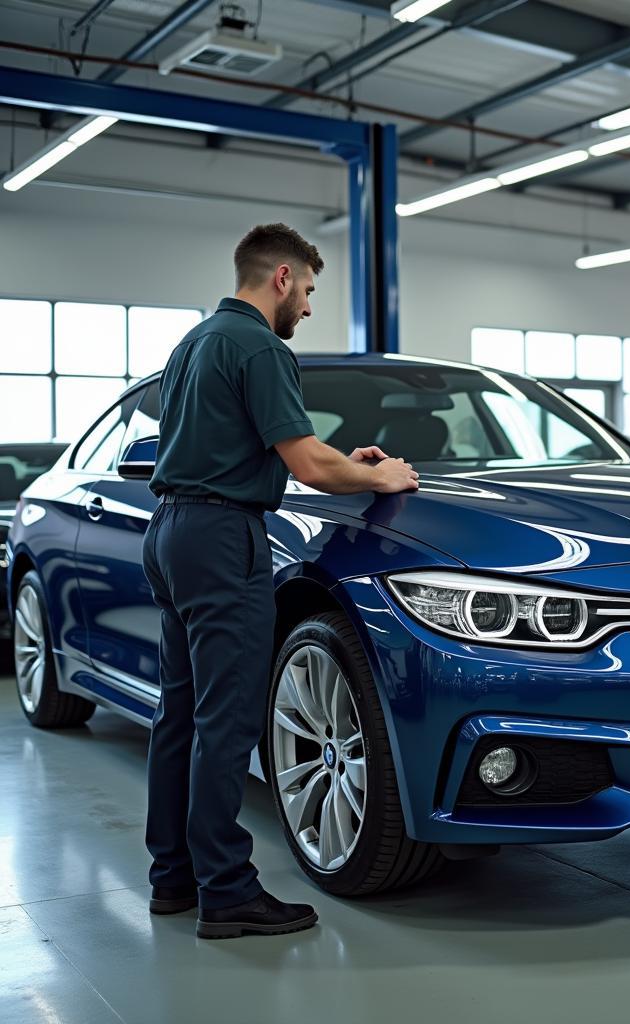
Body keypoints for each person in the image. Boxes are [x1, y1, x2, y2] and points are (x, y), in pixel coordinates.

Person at [142, 223, 418, 940]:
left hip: (170, 532)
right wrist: (378, 473)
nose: (310, 308)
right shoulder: (260, 346)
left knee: (179, 716)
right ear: (284, 278)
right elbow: (309, 468)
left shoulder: (194, 344)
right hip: (222, 537)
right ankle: (227, 890)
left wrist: (342, 458)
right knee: (226, 720)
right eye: (311, 291)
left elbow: (248, 444)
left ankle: (172, 876)